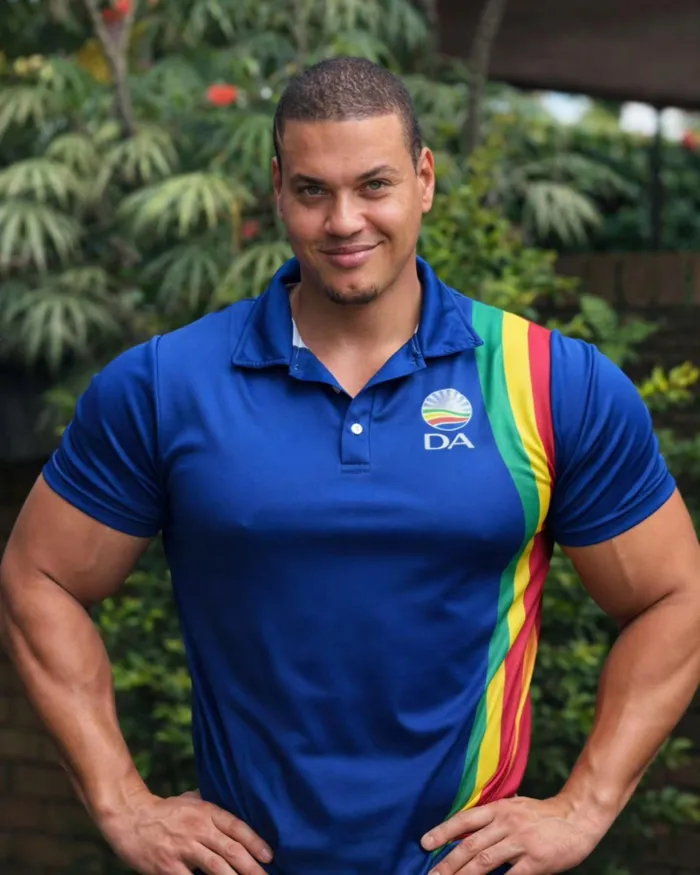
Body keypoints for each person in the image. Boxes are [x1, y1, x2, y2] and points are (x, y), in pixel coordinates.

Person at [1, 56, 700, 875]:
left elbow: (674, 596)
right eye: (312, 190)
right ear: (277, 189)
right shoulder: (167, 383)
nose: (343, 221)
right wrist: (122, 801)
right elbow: (37, 577)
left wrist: (585, 805)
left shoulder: (549, 382)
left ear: (424, 179)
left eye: (374, 185)